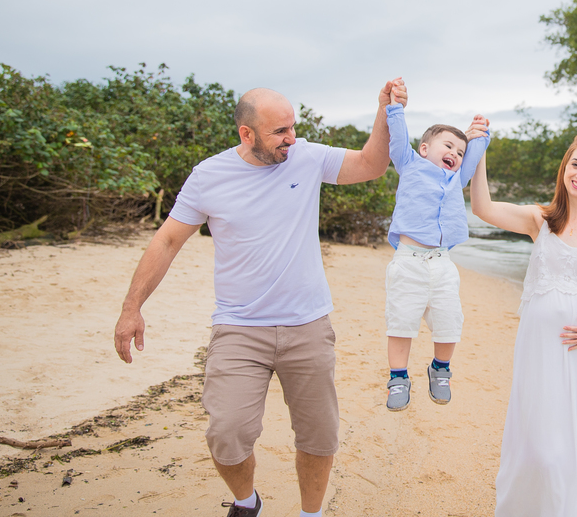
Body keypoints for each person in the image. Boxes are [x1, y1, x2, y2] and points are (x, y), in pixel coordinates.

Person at [113, 81, 405, 517]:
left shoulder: (306, 157)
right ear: (246, 134)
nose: (291, 138)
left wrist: (384, 111)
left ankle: (312, 513)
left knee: (318, 436)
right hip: (238, 327)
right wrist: (131, 308)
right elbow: (168, 240)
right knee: (227, 434)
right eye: (279, 132)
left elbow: (371, 164)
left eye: (293, 127)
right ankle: (247, 502)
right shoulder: (209, 175)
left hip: (307, 324)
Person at [470, 131, 577, 517]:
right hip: (540, 353)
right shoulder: (538, 219)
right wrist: (479, 151)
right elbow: (481, 207)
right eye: (576, 164)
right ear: (565, 167)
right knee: (541, 449)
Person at [380, 92, 490, 410]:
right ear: (425, 148)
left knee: (450, 320)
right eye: (448, 146)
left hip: (442, 262)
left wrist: (480, 133)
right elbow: (398, 137)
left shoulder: (456, 178)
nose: (455, 153)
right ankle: (398, 377)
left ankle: (440, 369)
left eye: (459, 151)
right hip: (408, 261)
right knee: (401, 321)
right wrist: (396, 106)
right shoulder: (409, 162)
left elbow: (473, 153)